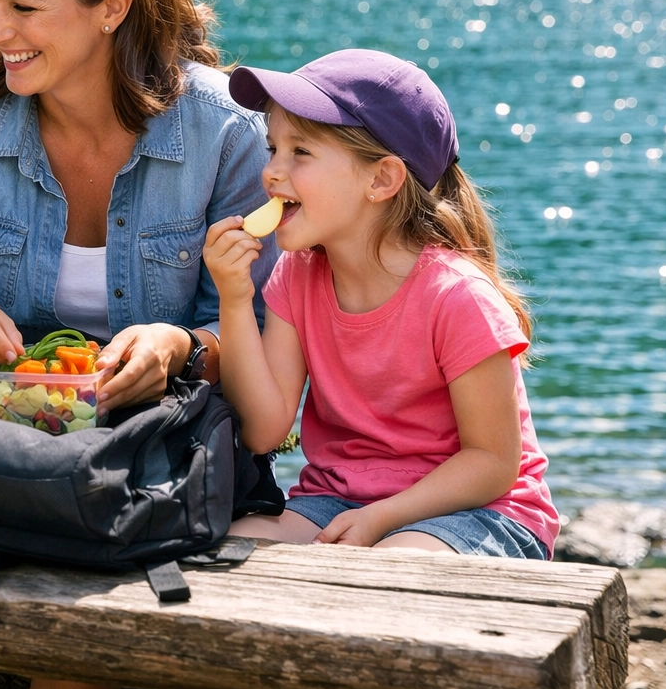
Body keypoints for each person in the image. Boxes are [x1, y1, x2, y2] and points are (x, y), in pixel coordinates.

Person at [0, 0, 278, 689]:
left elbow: (261, 335)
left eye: (24, 7)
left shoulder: (228, 131)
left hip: (165, 469)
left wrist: (181, 346)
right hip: (9, 464)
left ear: (113, 6)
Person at [202, 49, 559, 559]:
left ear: (381, 180)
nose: (271, 173)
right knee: (225, 553)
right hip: (338, 499)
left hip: (480, 509)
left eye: (300, 152)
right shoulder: (296, 276)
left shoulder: (458, 297)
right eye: (272, 148)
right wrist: (235, 299)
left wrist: (382, 519)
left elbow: (493, 462)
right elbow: (263, 431)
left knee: (394, 569)